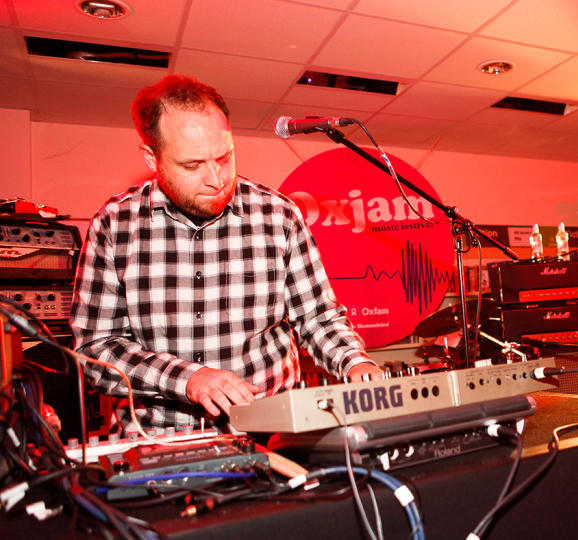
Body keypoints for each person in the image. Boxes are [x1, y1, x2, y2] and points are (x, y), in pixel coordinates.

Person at [71, 75, 381, 432]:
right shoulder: (115, 224)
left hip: (270, 433)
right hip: (159, 441)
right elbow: (94, 350)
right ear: (151, 157)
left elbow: (318, 318)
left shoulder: (279, 215)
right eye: (192, 166)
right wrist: (187, 379)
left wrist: (355, 363)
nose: (216, 179)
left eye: (224, 157)